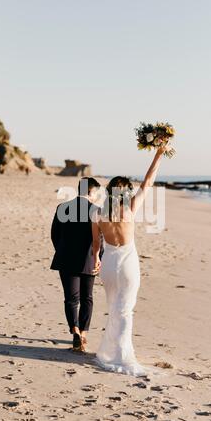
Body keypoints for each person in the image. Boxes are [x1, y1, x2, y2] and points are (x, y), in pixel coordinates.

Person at [92, 146, 167, 375]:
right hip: (126, 265)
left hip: (108, 266)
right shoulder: (130, 209)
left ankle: (111, 351)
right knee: (125, 310)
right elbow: (148, 182)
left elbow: (96, 244)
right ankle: (123, 356)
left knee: (114, 309)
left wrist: (96, 258)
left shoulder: (96, 213)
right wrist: (159, 155)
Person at [51, 177, 102, 352]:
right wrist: (98, 257)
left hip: (65, 258)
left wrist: (62, 251)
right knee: (87, 298)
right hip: (88, 260)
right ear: (92, 192)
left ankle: (75, 331)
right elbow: (99, 240)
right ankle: (84, 333)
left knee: (71, 299)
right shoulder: (96, 210)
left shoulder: (62, 207)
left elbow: (55, 235)